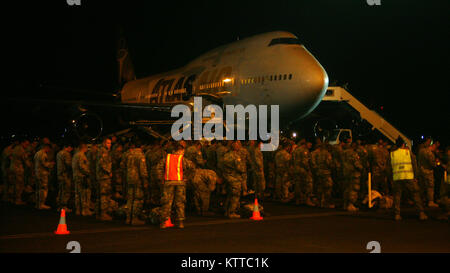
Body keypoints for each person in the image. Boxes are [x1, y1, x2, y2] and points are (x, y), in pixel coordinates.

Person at [387, 137, 427, 221]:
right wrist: (416, 177)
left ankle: (397, 214)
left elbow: (389, 168)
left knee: (397, 196)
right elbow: (414, 165)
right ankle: (421, 213)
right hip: (408, 177)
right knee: (415, 195)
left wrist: (391, 179)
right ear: (403, 144)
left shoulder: (392, 154)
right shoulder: (408, 153)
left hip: (397, 178)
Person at [156, 142, 195, 228]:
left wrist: (161, 179)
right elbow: (192, 168)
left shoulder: (166, 158)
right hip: (180, 182)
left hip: (168, 182)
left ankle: (163, 222)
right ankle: (180, 222)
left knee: (167, 202)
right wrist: (187, 178)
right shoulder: (183, 159)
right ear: (180, 150)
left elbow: (159, 168)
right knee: (180, 202)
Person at [125, 140, 148, 225]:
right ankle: (134, 218)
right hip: (137, 180)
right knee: (137, 199)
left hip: (129, 179)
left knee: (130, 199)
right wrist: (145, 181)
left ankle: (128, 218)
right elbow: (143, 170)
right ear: (141, 147)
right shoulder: (140, 155)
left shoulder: (129, 154)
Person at [222, 141, 246, 218]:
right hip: (235, 178)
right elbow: (241, 168)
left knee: (229, 195)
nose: (239, 146)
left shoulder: (226, 155)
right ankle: (232, 212)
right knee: (235, 196)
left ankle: (226, 211)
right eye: (238, 144)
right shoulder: (236, 156)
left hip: (227, 177)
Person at [291, 139, 314, 206]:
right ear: (306, 143)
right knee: (308, 183)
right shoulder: (304, 151)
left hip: (296, 170)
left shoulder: (296, 150)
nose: (311, 145)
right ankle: (307, 200)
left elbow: (292, 160)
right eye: (310, 143)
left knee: (298, 184)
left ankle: (298, 200)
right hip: (302, 170)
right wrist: (309, 170)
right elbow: (305, 162)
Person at [342, 138, 363, 212]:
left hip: (345, 173)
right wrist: (362, 168)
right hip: (353, 173)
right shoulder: (354, 154)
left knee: (346, 189)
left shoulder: (344, 152)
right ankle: (351, 205)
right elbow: (357, 164)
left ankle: (345, 204)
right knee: (353, 189)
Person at [95, 137, 113, 221]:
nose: (109, 145)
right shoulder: (104, 152)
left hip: (100, 176)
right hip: (104, 177)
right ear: (104, 143)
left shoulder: (101, 151)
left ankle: (98, 213)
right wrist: (109, 171)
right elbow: (103, 164)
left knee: (100, 195)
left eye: (110, 143)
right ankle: (103, 213)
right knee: (104, 195)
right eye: (108, 143)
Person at [72, 143, 93, 216]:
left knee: (77, 194)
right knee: (84, 194)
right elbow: (82, 167)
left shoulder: (75, 155)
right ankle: (84, 210)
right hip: (82, 177)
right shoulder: (81, 155)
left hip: (76, 176)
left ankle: (78, 210)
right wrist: (89, 173)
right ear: (84, 148)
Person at [313, 141, 335, 209]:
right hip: (326, 173)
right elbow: (329, 163)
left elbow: (313, 163)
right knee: (328, 188)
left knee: (319, 187)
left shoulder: (315, 153)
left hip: (318, 172)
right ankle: (326, 203)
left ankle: (319, 202)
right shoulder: (327, 154)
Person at [418, 137, 439, 207]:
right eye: (429, 142)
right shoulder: (429, 153)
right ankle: (430, 201)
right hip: (428, 171)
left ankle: (422, 200)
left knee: (422, 187)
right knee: (430, 187)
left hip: (421, 171)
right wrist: (436, 164)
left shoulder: (420, 151)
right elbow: (432, 163)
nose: (430, 143)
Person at [34, 144, 55, 209]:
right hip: (42, 174)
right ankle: (41, 204)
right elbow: (45, 164)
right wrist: (51, 164)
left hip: (37, 173)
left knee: (38, 189)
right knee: (43, 189)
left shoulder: (37, 153)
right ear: (47, 148)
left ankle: (37, 204)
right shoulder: (43, 154)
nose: (49, 151)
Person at [56, 143, 73, 212]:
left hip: (60, 174)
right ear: (68, 147)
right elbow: (68, 164)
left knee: (61, 191)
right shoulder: (66, 154)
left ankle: (59, 206)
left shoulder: (59, 153)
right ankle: (63, 206)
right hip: (65, 175)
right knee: (66, 191)